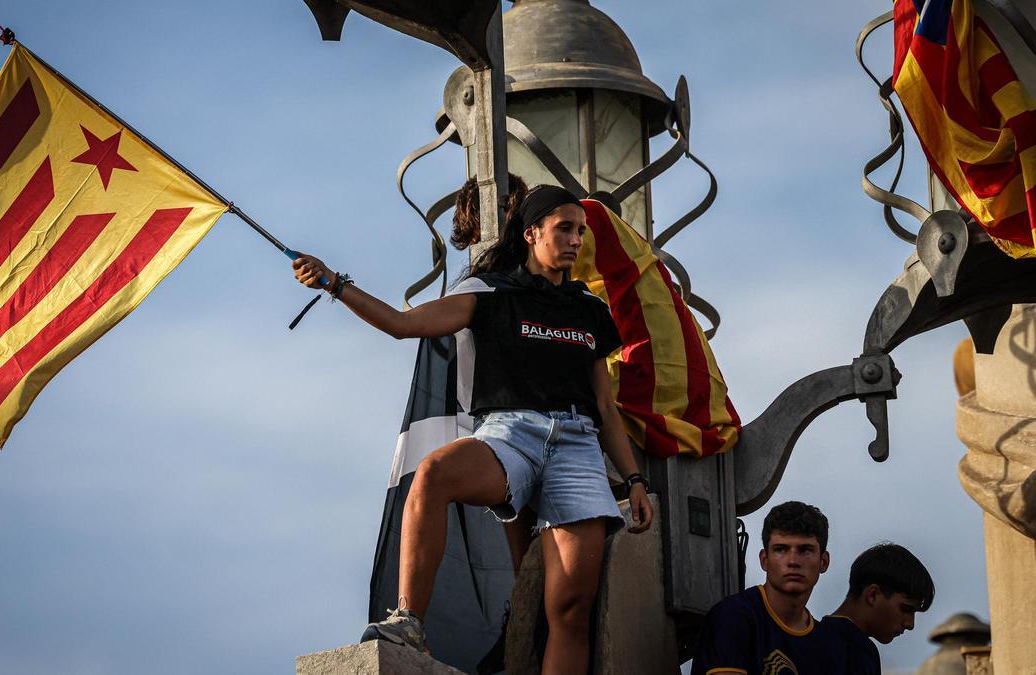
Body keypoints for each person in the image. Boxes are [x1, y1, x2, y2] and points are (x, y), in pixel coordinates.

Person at [292, 184, 655, 673]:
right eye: (564, 229)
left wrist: (634, 480)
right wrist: (335, 284)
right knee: (434, 474)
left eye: (581, 231)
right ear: (531, 234)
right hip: (511, 435)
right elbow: (402, 324)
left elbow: (605, 410)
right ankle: (408, 621)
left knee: (569, 611)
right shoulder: (489, 294)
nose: (576, 240)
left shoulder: (589, 309)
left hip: (577, 445)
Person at [691, 501, 833, 675]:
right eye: (781, 549)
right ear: (764, 560)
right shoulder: (732, 617)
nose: (793, 561)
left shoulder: (826, 644)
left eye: (805, 550)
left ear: (823, 562)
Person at [821, 543, 935, 674]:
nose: (910, 624)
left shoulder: (861, 649)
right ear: (873, 595)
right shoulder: (841, 647)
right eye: (905, 609)